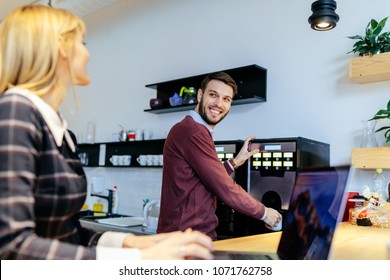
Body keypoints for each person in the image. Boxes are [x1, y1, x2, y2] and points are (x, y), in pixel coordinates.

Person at [0, 5, 213, 260]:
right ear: (59, 48)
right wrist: (137, 260)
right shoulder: (16, 110)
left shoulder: (59, 131)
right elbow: (12, 246)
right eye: (82, 42)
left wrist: (134, 244)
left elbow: (68, 234)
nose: (87, 53)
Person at [158, 72, 282, 240]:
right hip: (186, 240)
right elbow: (223, 187)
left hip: (185, 237)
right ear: (200, 95)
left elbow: (205, 178)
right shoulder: (193, 131)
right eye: (213, 95)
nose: (219, 104)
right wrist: (264, 213)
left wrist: (236, 161)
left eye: (226, 99)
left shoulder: (191, 129)